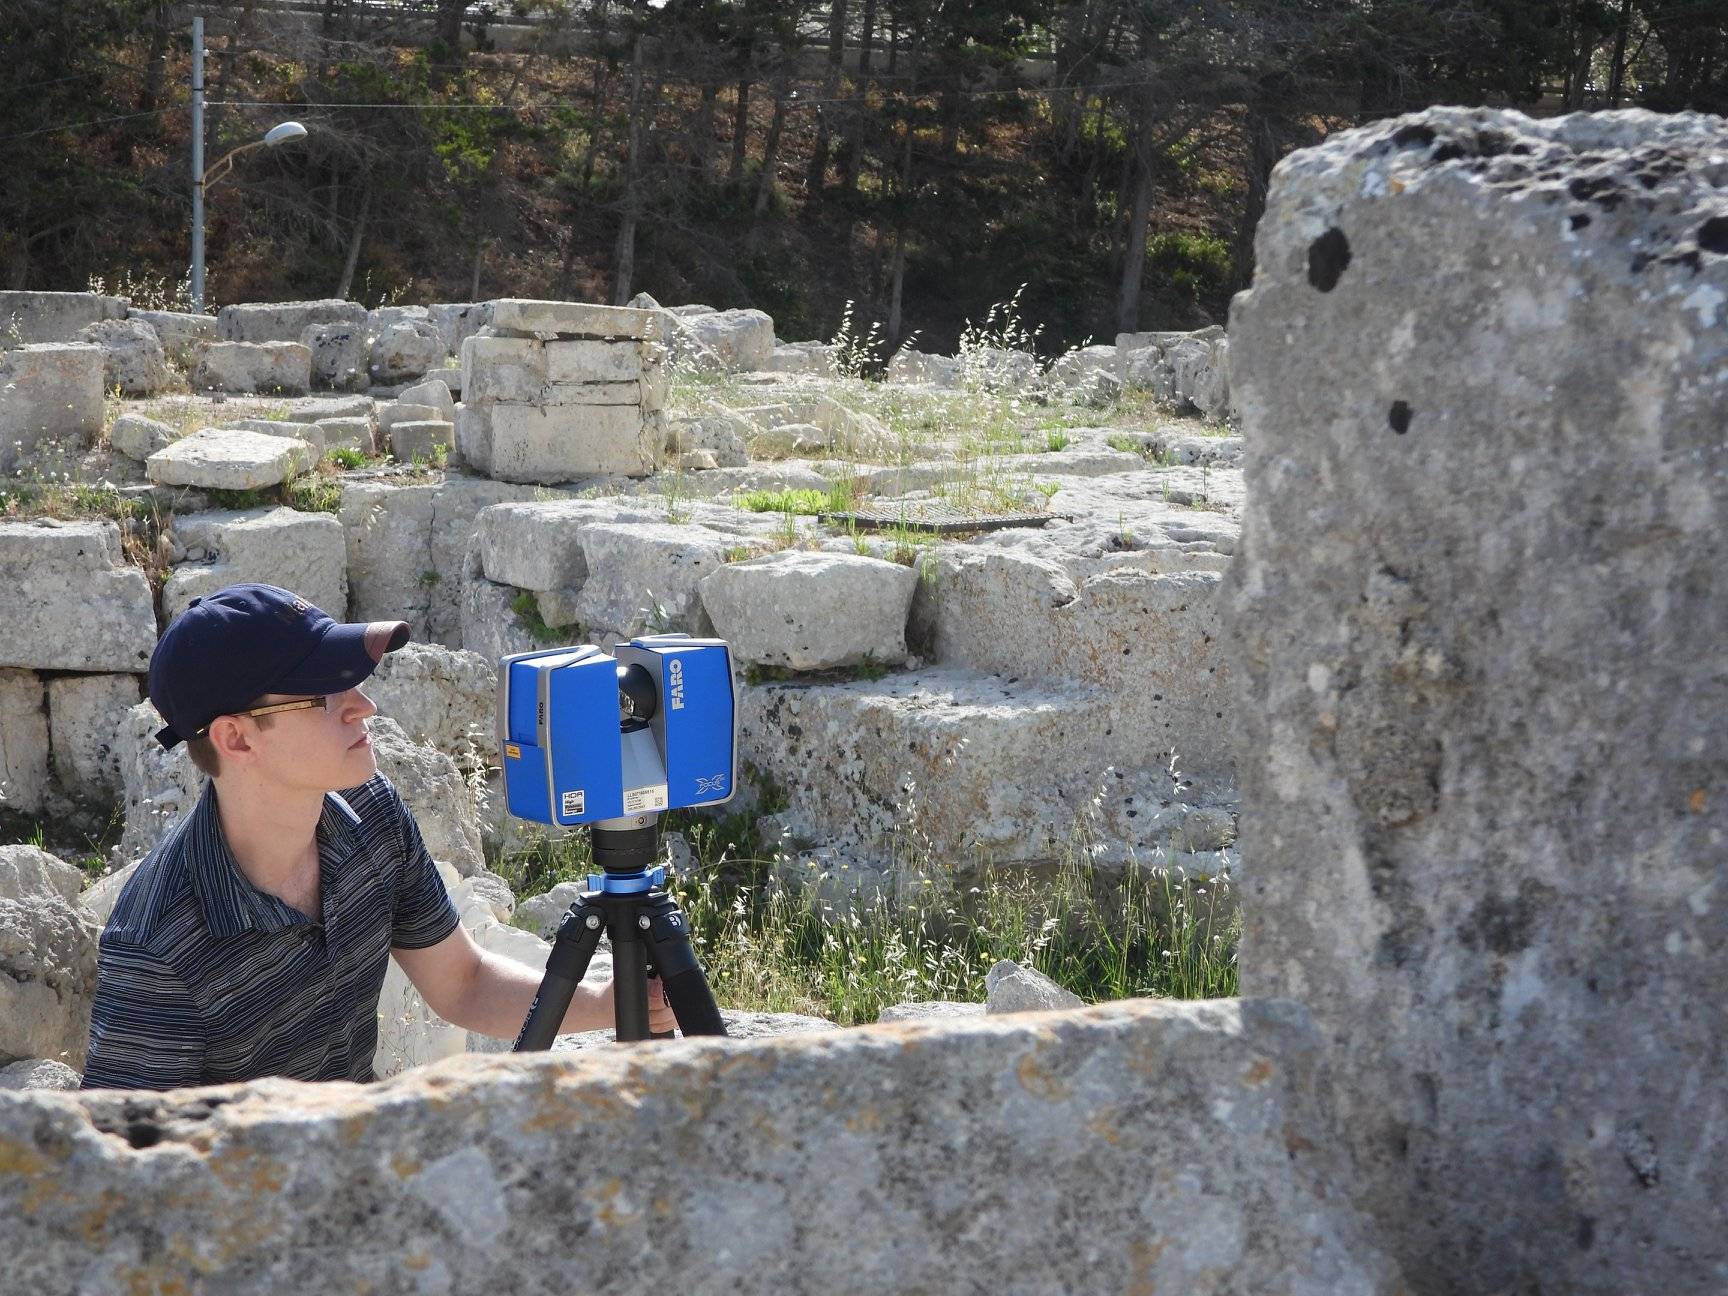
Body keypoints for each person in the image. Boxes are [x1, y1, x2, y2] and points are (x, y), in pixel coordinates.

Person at [80, 583, 673, 1091]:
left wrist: (603, 1003)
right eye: (325, 694)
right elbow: (122, 1166)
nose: (362, 706)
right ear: (237, 739)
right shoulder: (156, 945)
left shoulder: (374, 816)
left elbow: (462, 983)